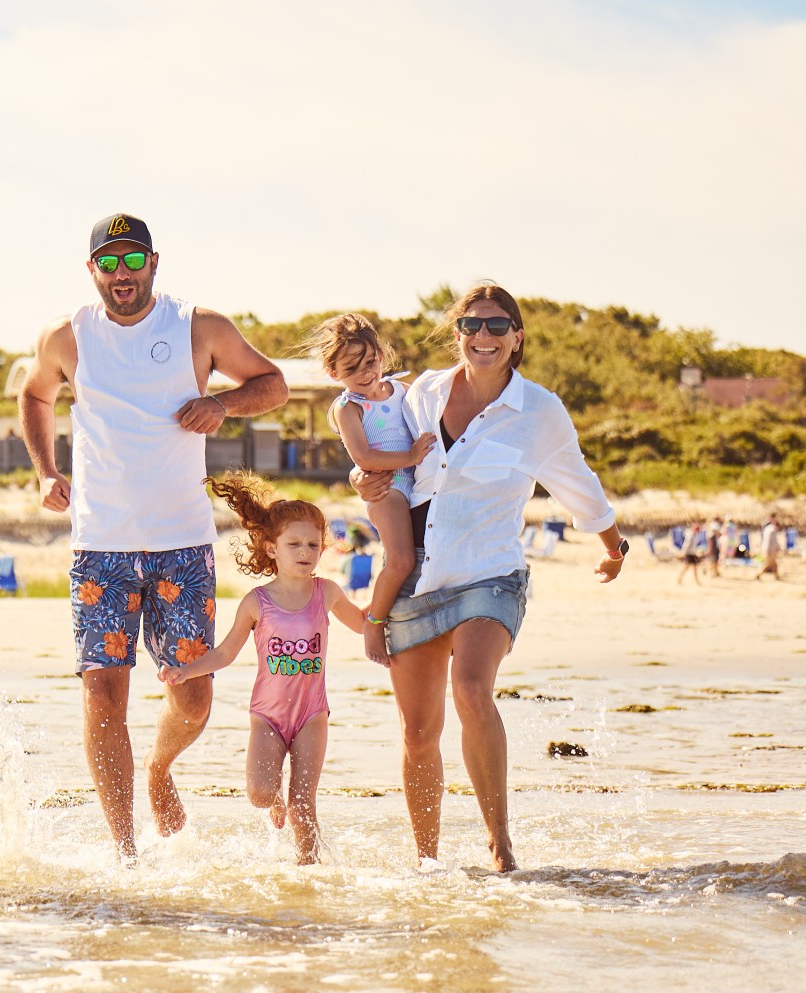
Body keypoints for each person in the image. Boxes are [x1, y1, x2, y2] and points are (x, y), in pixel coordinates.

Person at [18, 213, 289, 859]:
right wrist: (45, 472)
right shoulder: (67, 335)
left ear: (153, 263)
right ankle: (124, 850)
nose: (121, 274)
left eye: (131, 261)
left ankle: (159, 769)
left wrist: (221, 404)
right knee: (103, 694)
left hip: (180, 544)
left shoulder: (199, 326)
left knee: (192, 699)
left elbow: (272, 384)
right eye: (107, 263)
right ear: (92, 271)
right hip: (99, 546)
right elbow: (35, 397)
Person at [352, 282, 626, 873]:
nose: (483, 337)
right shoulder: (419, 393)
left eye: (496, 327)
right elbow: (377, 444)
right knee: (418, 732)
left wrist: (614, 546)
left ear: (516, 337)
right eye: (471, 326)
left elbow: (579, 483)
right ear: (456, 335)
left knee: (473, 689)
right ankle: (428, 862)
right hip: (416, 576)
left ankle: (500, 844)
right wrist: (361, 479)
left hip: (491, 572)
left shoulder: (540, 413)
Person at [163, 474, 368, 864]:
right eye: (294, 544)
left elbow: (362, 623)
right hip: (268, 718)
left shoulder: (328, 593)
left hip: (312, 715)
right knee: (260, 793)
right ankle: (275, 802)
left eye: (313, 544)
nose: (305, 552)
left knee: (303, 805)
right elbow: (224, 653)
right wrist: (186, 671)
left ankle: (309, 875)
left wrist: (391, 612)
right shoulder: (257, 602)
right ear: (272, 549)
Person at [308, 314, 435, 666]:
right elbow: (363, 455)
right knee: (402, 559)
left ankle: (381, 613)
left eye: (371, 361)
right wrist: (408, 456)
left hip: (418, 485)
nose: (366, 373)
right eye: (352, 369)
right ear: (335, 374)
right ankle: (373, 624)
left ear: (381, 353)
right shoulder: (349, 407)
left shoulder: (403, 391)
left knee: (423, 561)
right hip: (387, 488)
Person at [675, 519, 708, 586]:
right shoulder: (691, 535)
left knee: (694, 568)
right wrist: (683, 553)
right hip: (689, 554)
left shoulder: (695, 535)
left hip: (693, 553)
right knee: (686, 567)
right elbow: (687, 545)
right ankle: (679, 579)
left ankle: (696, 581)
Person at [759, 512, 784, 580]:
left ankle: (776, 576)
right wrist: (778, 549)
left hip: (765, 548)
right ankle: (759, 574)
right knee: (769, 564)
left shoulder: (768, 528)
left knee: (773, 564)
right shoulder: (772, 530)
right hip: (770, 550)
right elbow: (774, 541)